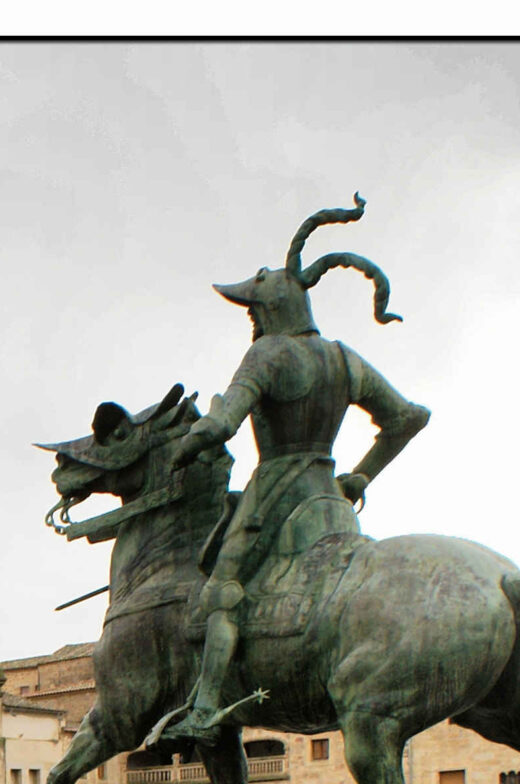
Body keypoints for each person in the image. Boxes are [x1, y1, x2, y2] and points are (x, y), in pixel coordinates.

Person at [152, 195, 431, 750]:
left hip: (276, 493)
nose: (250, 318)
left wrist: (186, 446)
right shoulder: (343, 358)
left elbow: (223, 424)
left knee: (222, 592)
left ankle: (205, 706)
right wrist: (359, 477)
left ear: (271, 309)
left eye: (253, 310)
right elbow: (407, 418)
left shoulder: (268, 355)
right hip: (328, 498)